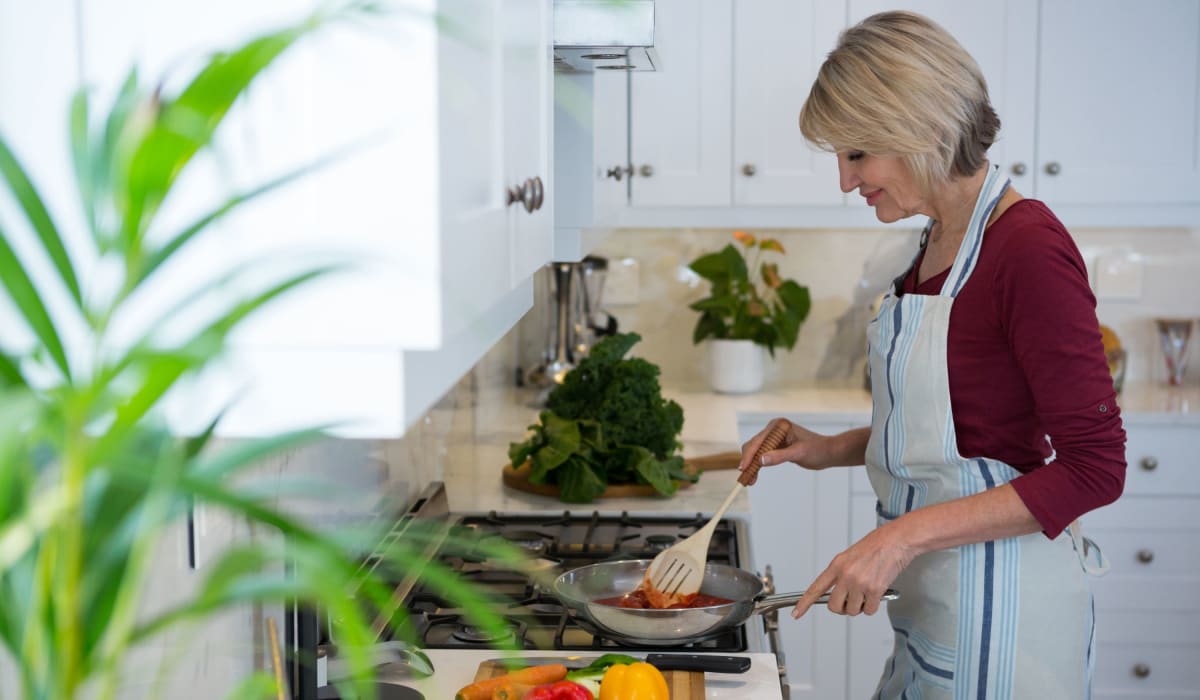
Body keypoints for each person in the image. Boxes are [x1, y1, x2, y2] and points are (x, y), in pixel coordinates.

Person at [737, 11, 1125, 699]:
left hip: (1008, 624)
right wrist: (827, 449)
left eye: (857, 154)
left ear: (919, 126)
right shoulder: (934, 243)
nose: (845, 180)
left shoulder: (1027, 249)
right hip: (938, 607)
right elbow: (962, 432)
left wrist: (901, 538)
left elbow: (1096, 469)